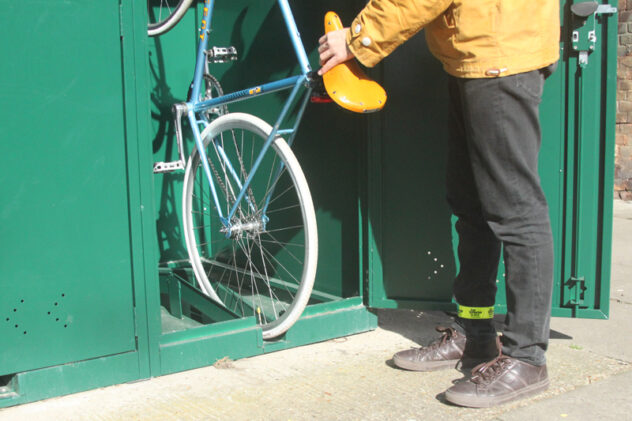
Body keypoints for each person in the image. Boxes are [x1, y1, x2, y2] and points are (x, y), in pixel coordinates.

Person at [318, 0, 559, 408]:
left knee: (515, 211)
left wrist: (359, 38)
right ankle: (477, 333)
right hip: (477, 52)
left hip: (499, 53)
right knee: (473, 206)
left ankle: (526, 357)